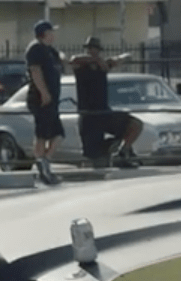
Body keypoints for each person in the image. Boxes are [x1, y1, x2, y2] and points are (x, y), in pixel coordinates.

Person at [70, 36, 142, 168]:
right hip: (88, 116)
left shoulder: (103, 65)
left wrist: (116, 60)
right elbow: (73, 59)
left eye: (95, 49)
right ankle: (109, 149)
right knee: (94, 158)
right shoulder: (81, 66)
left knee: (135, 124)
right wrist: (96, 60)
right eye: (90, 48)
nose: (92, 51)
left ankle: (123, 151)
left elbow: (124, 57)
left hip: (103, 112)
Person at [25, 20, 64, 185]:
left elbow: (61, 61)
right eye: (50, 32)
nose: (53, 35)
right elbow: (35, 71)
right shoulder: (36, 49)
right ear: (44, 34)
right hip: (41, 98)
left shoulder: (50, 51)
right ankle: (42, 166)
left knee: (57, 134)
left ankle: (44, 162)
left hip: (53, 99)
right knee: (42, 134)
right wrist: (44, 92)